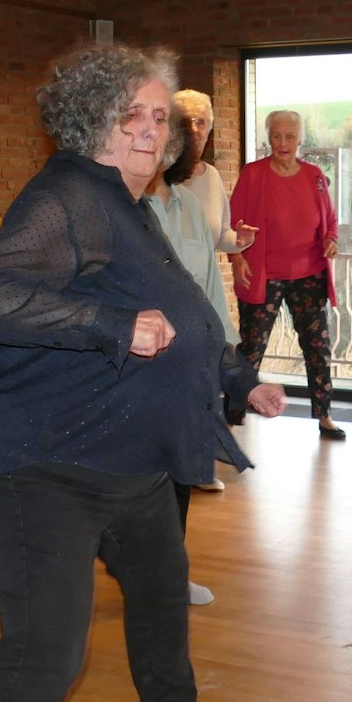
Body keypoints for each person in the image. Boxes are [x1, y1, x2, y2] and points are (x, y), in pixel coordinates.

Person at [0, 43, 286, 702]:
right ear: (91, 121)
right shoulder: (67, 195)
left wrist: (234, 377)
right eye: (131, 114)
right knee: (45, 651)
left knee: (161, 595)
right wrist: (107, 324)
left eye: (159, 117)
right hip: (44, 463)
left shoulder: (131, 206)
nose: (150, 128)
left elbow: (185, 316)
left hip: (124, 458)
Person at [145, 107, 241, 606]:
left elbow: (208, 288)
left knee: (180, 475)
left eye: (167, 135)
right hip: (133, 366)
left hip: (186, 366)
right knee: (139, 481)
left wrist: (223, 354)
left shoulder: (187, 206)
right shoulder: (124, 207)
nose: (158, 143)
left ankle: (170, 575)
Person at [230, 110, 343, 440]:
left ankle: (324, 416)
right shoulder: (253, 175)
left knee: (317, 347)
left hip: (308, 274)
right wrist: (237, 259)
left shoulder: (315, 176)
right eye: (276, 136)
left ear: (299, 140)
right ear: (269, 138)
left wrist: (331, 239)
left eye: (289, 136)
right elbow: (233, 224)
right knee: (252, 346)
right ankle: (234, 410)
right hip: (265, 275)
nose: (283, 143)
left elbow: (330, 221)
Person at [172, 88, 256, 491]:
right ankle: (175, 464)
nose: (195, 130)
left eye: (201, 122)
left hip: (204, 294)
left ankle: (201, 465)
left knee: (206, 381)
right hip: (168, 297)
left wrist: (238, 240)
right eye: (186, 122)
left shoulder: (213, 178)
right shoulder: (158, 179)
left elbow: (218, 236)